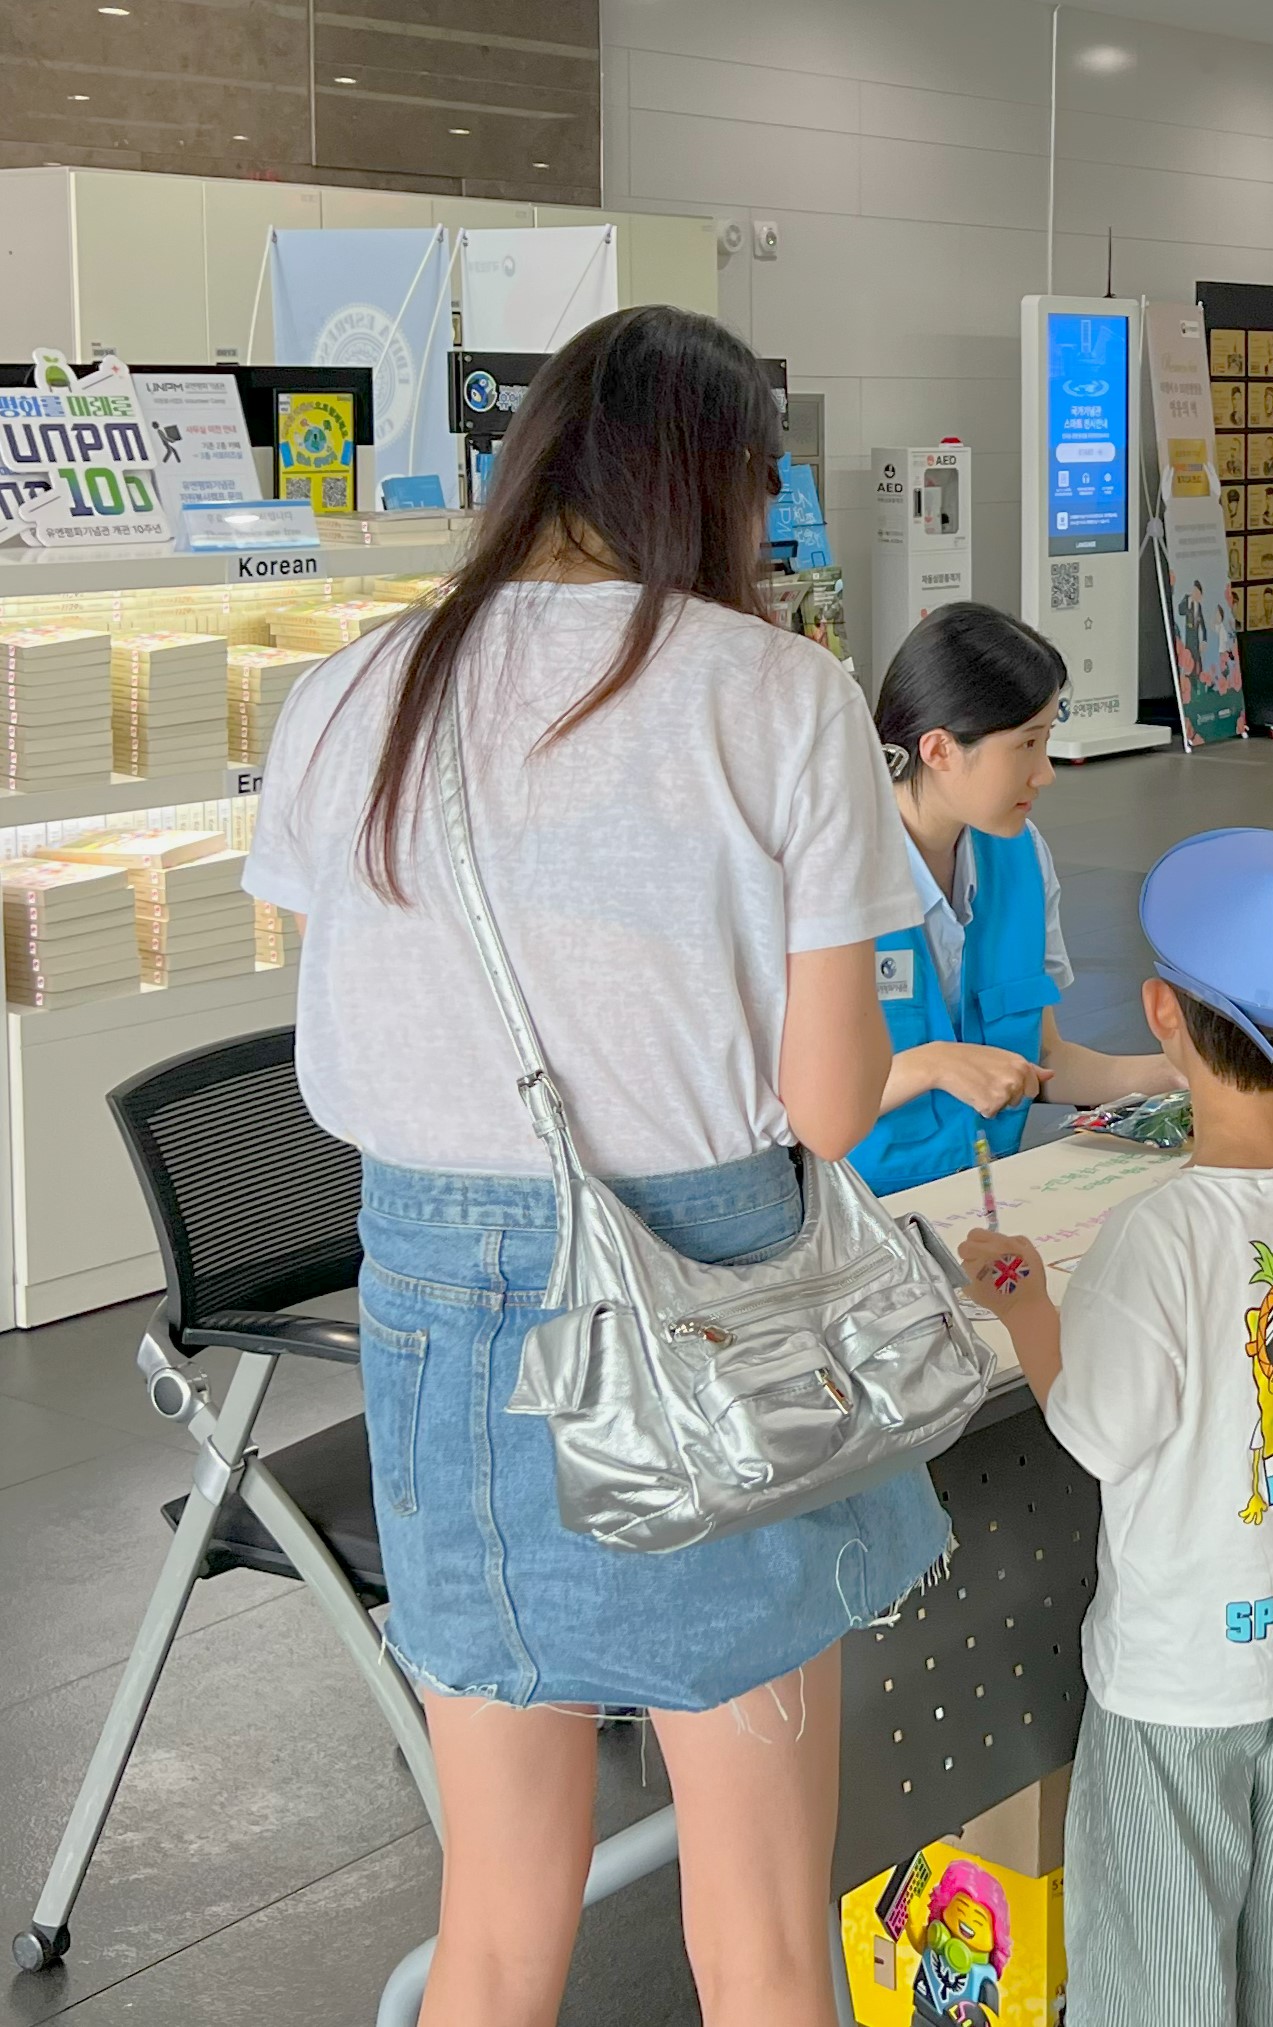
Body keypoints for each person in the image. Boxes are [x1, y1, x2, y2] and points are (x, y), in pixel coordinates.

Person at [243, 304, 952, 2026]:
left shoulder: (357, 685)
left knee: (492, 1921)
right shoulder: (773, 694)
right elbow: (834, 1100)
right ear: (718, 486)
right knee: (765, 1939)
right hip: (709, 1310)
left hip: (427, 1305)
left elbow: (338, 990)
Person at [957, 827, 1273, 2027]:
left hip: (1178, 1678)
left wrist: (1029, 1306)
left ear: (1159, 1010)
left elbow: (1097, 1427)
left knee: (1160, 1963)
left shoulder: (1157, 1235)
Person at [852, 600, 1174, 1195]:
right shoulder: (834, 874)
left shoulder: (1021, 857)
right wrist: (929, 1067)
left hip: (988, 1202)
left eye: (1046, 740)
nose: (1045, 772)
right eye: (1026, 745)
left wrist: (1182, 1072)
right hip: (859, 1221)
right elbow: (785, 1105)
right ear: (940, 748)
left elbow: (1046, 1062)